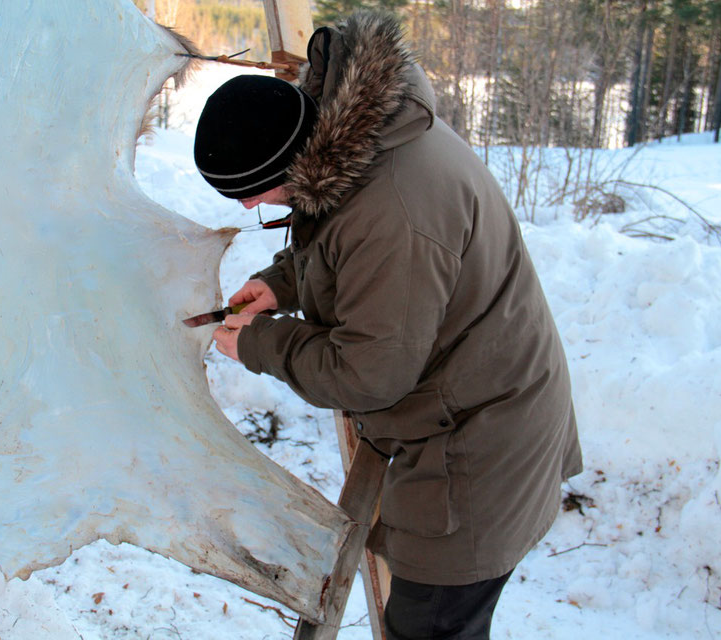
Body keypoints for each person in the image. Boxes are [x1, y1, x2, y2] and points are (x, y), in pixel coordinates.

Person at [193, 12, 582, 640]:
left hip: (482, 444)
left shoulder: (395, 210)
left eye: (254, 194)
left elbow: (370, 372)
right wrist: (281, 283)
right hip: (462, 409)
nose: (245, 208)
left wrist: (262, 344)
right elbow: (339, 237)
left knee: (429, 627)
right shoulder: (353, 146)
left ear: (293, 159)